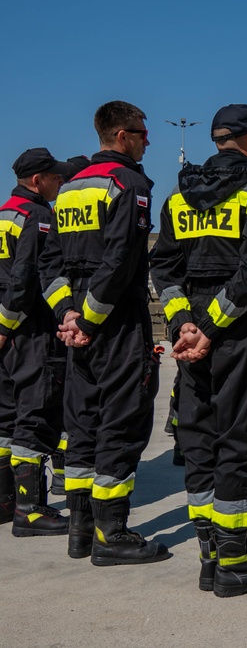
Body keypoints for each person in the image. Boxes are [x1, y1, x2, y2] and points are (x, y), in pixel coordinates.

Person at [149, 103, 247, 597]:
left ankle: (209, 556)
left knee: (200, 440)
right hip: (236, 328)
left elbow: (163, 269)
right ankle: (235, 561)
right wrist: (208, 328)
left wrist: (184, 322)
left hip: (190, 333)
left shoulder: (177, 197)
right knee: (237, 438)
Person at [39, 101, 167, 563]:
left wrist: (67, 316)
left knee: (82, 423)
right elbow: (120, 262)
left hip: (77, 323)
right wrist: (89, 319)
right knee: (122, 420)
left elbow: (48, 263)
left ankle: (80, 529)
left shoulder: (69, 188)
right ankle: (112, 536)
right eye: (141, 133)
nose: (147, 140)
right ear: (120, 136)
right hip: (113, 322)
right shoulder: (129, 184)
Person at [0, 150, 86, 535]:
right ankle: (30, 510)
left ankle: (5, 501)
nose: (59, 184)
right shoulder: (38, 216)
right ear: (38, 181)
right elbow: (24, 280)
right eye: (55, 178)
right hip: (29, 330)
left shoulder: (4, 214)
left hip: (5, 335)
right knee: (35, 416)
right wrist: (8, 325)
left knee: (5, 418)